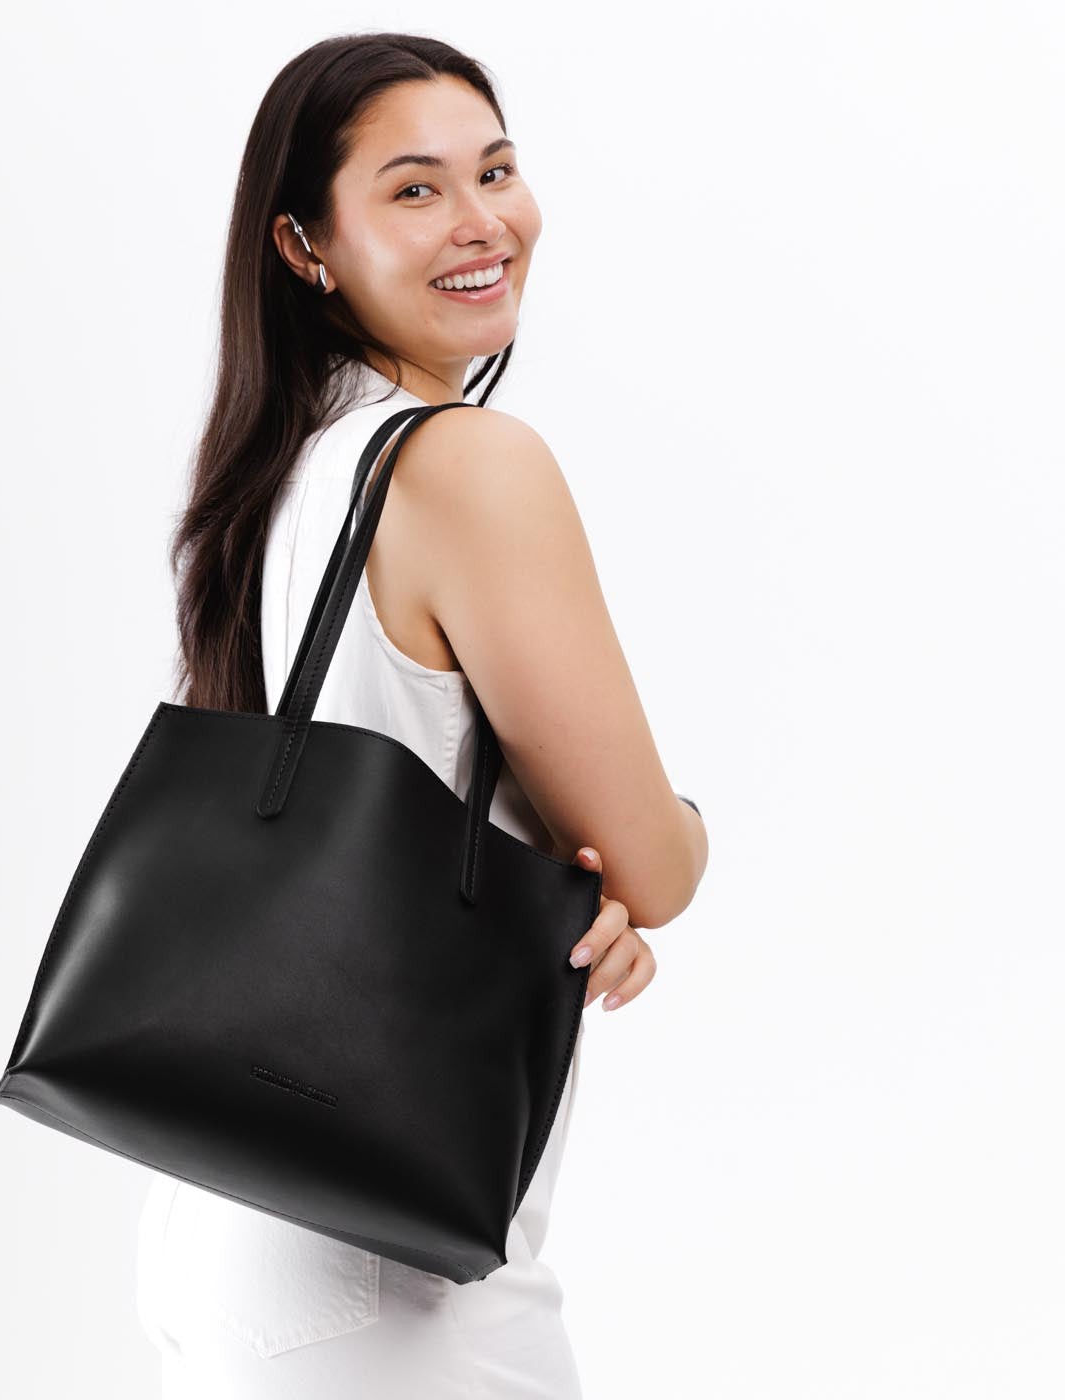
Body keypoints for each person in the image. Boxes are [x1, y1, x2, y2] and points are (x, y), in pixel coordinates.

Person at [135, 31, 709, 1399]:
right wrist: (651, 844)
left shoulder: (281, 469)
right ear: (304, 245)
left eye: (495, 171)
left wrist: (553, 876)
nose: (481, 222)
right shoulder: (464, 465)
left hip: (224, 1215)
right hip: (384, 1265)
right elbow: (654, 864)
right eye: (413, 189)